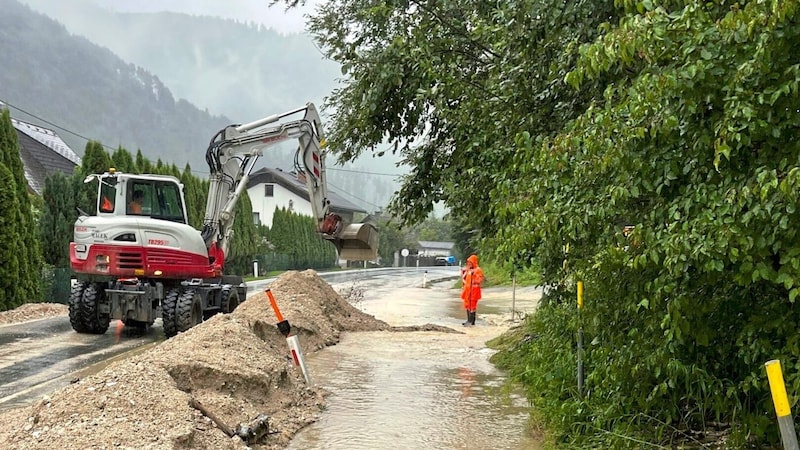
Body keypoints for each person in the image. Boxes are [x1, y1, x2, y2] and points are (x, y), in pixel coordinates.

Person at [460, 254, 484, 326]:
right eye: (468, 262)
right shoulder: (468, 270)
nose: (469, 264)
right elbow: (464, 278)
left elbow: (479, 280)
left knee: (472, 306)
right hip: (467, 291)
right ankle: (468, 320)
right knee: (467, 305)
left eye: (470, 262)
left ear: (474, 262)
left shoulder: (478, 270)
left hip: (474, 291)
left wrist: (474, 275)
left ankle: (471, 321)